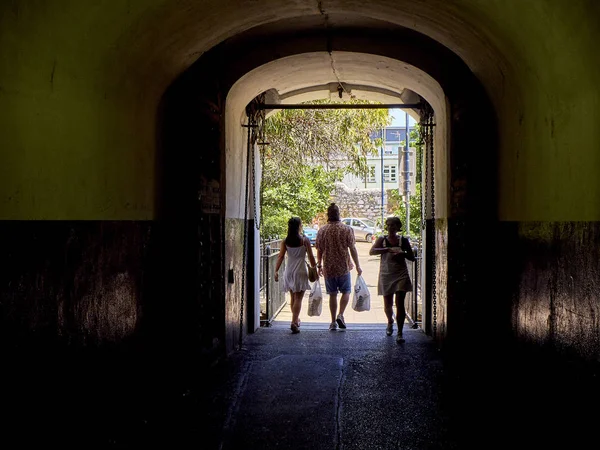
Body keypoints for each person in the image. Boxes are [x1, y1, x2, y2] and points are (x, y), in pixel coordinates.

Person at [315, 203, 362, 331]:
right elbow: (352, 249)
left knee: (332, 294)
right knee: (346, 291)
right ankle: (340, 314)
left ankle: (332, 322)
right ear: (339, 214)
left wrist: (319, 265)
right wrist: (358, 265)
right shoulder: (347, 229)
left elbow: (319, 249)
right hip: (343, 267)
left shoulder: (322, 230)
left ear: (327, 215)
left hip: (329, 267)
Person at [369, 216, 415, 343]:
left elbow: (412, 257)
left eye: (393, 225)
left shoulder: (403, 241)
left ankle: (400, 332)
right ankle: (390, 321)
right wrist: (387, 249)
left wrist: (403, 253)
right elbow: (372, 251)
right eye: (388, 225)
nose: (390, 228)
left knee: (400, 303)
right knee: (387, 303)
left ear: (398, 227)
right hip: (386, 273)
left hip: (401, 274)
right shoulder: (382, 240)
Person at [274, 217, 317, 334]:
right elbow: (312, 257)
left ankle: (295, 319)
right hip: (301, 271)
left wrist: (276, 271)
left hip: (289, 271)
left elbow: (280, 257)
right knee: (299, 298)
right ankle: (294, 322)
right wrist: (315, 269)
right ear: (299, 227)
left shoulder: (285, 241)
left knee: (293, 297)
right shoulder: (305, 241)